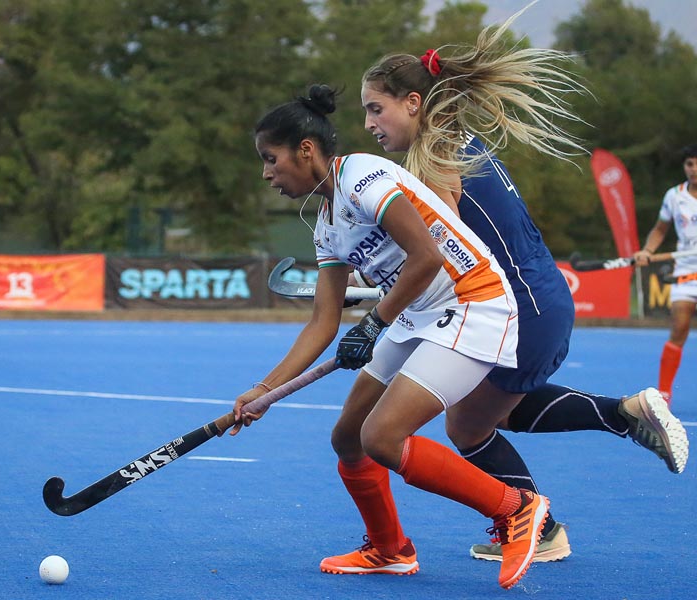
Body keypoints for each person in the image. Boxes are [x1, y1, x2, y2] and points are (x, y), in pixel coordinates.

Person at [358, 7, 689, 564]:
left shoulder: (435, 160)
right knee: (491, 413)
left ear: (412, 103)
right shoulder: (455, 142)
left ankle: (539, 522)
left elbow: (436, 258)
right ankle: (619, 420)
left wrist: (381, 303)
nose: (369, 124)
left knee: (465, 424)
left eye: (376, 108)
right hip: (539, 298)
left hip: (521, 307)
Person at [232, 83, 549, 591]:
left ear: (305, 151)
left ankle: (518, 509)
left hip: (475, 301)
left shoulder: (362, 174)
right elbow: (323, 321)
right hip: (417, 312)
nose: (267, 173)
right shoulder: (326, 225)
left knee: (380, 437)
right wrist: (264, 390)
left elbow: (427, 256)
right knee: (347, 438)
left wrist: (376, 321)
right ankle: (389, 550)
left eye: (271, 159)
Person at [633, 143, 697, 404]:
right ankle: (664, 394)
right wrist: (647, 250)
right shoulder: (674, 196)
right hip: (685, 271)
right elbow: (660, 230)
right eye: (689, 164)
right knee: (679, 326)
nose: (694, 169)